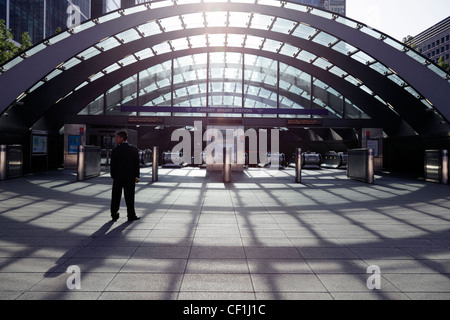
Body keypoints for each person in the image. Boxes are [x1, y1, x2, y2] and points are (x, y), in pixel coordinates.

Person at [110, 131, 140, 222]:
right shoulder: (134, 149)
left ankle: (114, 214)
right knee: (130, 197)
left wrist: (113, 175)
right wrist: (137, 176)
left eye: (117, 138)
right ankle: (131, 215)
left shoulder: (115, 150)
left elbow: (112, 165)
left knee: (115, 196)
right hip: (130, 177)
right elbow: (136, 165)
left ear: (122, 138)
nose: (116, 139)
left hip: (118, 177)